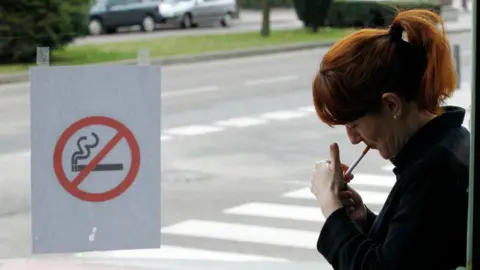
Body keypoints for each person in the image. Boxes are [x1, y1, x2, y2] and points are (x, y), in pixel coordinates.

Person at [309, 9, 469, 270]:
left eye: (354, 124)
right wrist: (364, 220)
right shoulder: (443, 146)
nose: (352, 139)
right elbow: (412, 250)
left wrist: (332, 210)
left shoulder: (435, 170)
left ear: (392, 104)